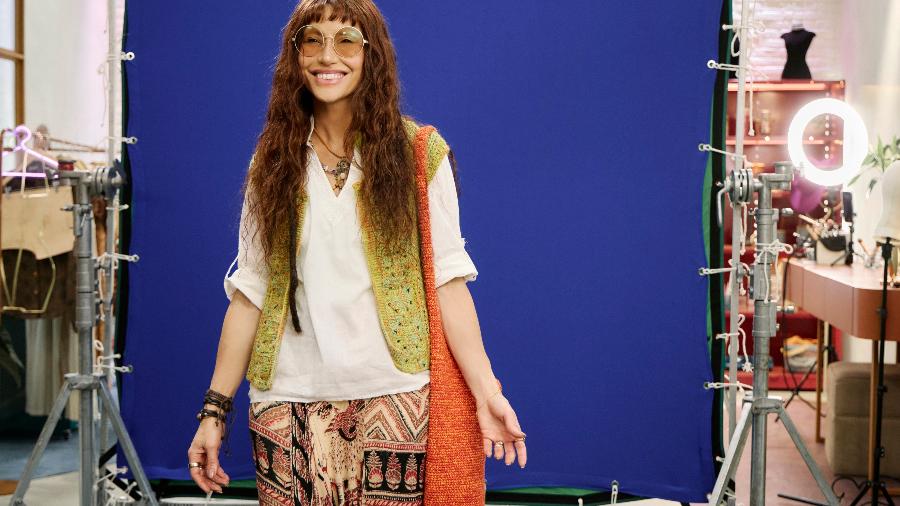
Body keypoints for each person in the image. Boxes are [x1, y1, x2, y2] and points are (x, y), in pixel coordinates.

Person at [187, 0, 527, 504]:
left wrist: (487, 392)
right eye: (313, 40)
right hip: (285, 401)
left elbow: (448, 281)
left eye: (346, 40)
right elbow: (250, 292)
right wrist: (214, 412)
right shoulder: (273, 161)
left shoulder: (417, 153)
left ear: (372, 55)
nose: (328, 56)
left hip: (394, 398)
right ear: (295, 55)